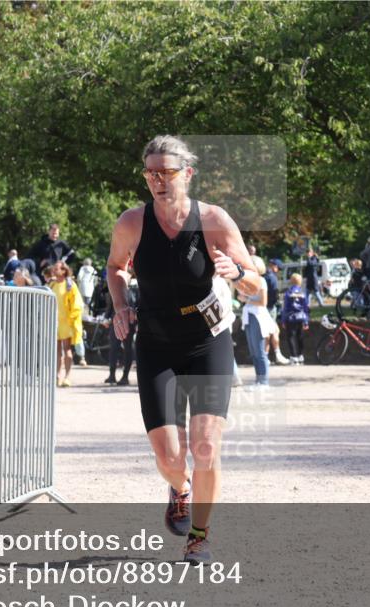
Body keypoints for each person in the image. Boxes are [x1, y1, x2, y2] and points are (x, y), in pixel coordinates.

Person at [105, 135, 260, 564]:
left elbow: (256, 285)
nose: (158, 181)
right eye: (151, 174)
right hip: (155, 343)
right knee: (170, 455)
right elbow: (116, 267)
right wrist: (120, 304)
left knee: (206, 447)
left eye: (167, 173)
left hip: (206, 342)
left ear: (187, 175)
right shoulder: (132, 223)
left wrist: (237, 271)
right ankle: (180, 486)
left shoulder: (212, 219)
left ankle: (199, 536)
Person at [240, 256, 275, 386]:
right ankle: (258, 380)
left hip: (257, 317)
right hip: (249, 315)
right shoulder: (249, 280)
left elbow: (263, 302)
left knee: (259, 352)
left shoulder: (261, 280)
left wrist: (246, 300)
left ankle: (264, 381)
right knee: (253, 352)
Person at [49, 260, 83, 387]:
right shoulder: (51, 284)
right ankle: (57, 375)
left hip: (66, 322)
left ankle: (67, 376)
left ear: (64, 270)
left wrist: (72, 319)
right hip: (54, 322)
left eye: (57, 268)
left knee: (67, 349)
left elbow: (76, 304)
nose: (54, 270)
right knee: (56, 351)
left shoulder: (70, 285)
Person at [105, 267, 137, 386]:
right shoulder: (115, 287)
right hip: (116, 321)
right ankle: (112, 374)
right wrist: (106, 317)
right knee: (113, 347)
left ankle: (125, 376)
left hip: (130, 322)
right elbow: (110, 304)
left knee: (128, 348)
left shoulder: (135, 288)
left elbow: (137, 304)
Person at [264, 258, 290, 365]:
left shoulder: (263, 275)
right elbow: (274, 294)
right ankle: (274, 355)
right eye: (278, 268)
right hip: (269, 308)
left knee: (270, 332)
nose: (278, 271)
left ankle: (267, 356)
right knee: (272, 331)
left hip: (263, 308)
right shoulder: (272, 278)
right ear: (274, 266)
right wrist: (277, 301)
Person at [281, 273, 309, 364]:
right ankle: (301, 355)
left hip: (291, 317)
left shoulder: (288, 293)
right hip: (301, 317)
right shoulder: (303, 293)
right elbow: (305, 308)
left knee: (291, 337)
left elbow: (285, 307)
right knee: (300, 337)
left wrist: (283, 320)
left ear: (291, 281)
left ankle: (294, 356)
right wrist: (306, 321)